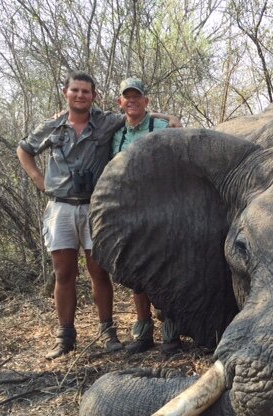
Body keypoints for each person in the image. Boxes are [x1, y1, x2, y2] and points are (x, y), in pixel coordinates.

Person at [17, 71, 126, 359]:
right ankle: (65, 335)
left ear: (94, 96)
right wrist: (38, 179)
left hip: (94, 206)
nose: (80, 95)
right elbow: (24, 150)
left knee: (99, 270)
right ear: (65, 92)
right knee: (63, 272)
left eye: (86, 91)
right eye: (75, 90)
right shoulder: (52, 126)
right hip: (60, 207)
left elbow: (136, 113)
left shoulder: (105, 122)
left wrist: (168, 118)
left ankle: (107, 331)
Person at [111, 77, 182, 355]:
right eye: (127, 97)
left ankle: (172, 332)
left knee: (165, 270)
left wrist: (167, 116)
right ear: (120, 102)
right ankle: (142, 333)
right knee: (136, 272)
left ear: (146, 101)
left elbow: (179, 141)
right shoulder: (116, 133)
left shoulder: (162, 127)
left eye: (137, 96)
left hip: (161, 210)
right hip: (128, 212)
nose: (132, 101)